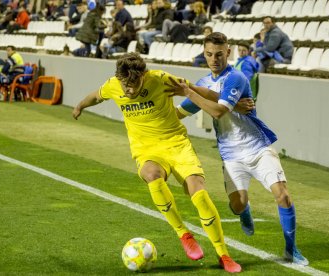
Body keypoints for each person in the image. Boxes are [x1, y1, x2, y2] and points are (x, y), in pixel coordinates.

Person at [72, 53, 242, 273]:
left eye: (133, 84)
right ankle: (184, 234)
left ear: (144, 75)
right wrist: (79, 106)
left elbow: (199, 91)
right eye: (125, 85)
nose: (128, 90)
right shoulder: (114, 85)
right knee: (152, 175)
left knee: (198, 192)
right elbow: (95, 96)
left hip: (177, 144)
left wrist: (233, 105)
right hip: (147, 149)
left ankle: (223, 255)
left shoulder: (161, 79)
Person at [169, 32, 309, 266]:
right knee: (237, 204)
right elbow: (178, 114)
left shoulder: (237, 77)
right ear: (204, 54)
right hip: (231, 155)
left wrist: (190, 92)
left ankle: (291, 248)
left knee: (283, 196)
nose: (214, 59)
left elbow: (218, 111)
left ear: (229, 52)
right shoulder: (203, 84)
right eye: (210, 54)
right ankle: (245, 209)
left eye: (220, 54)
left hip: (258, 147)